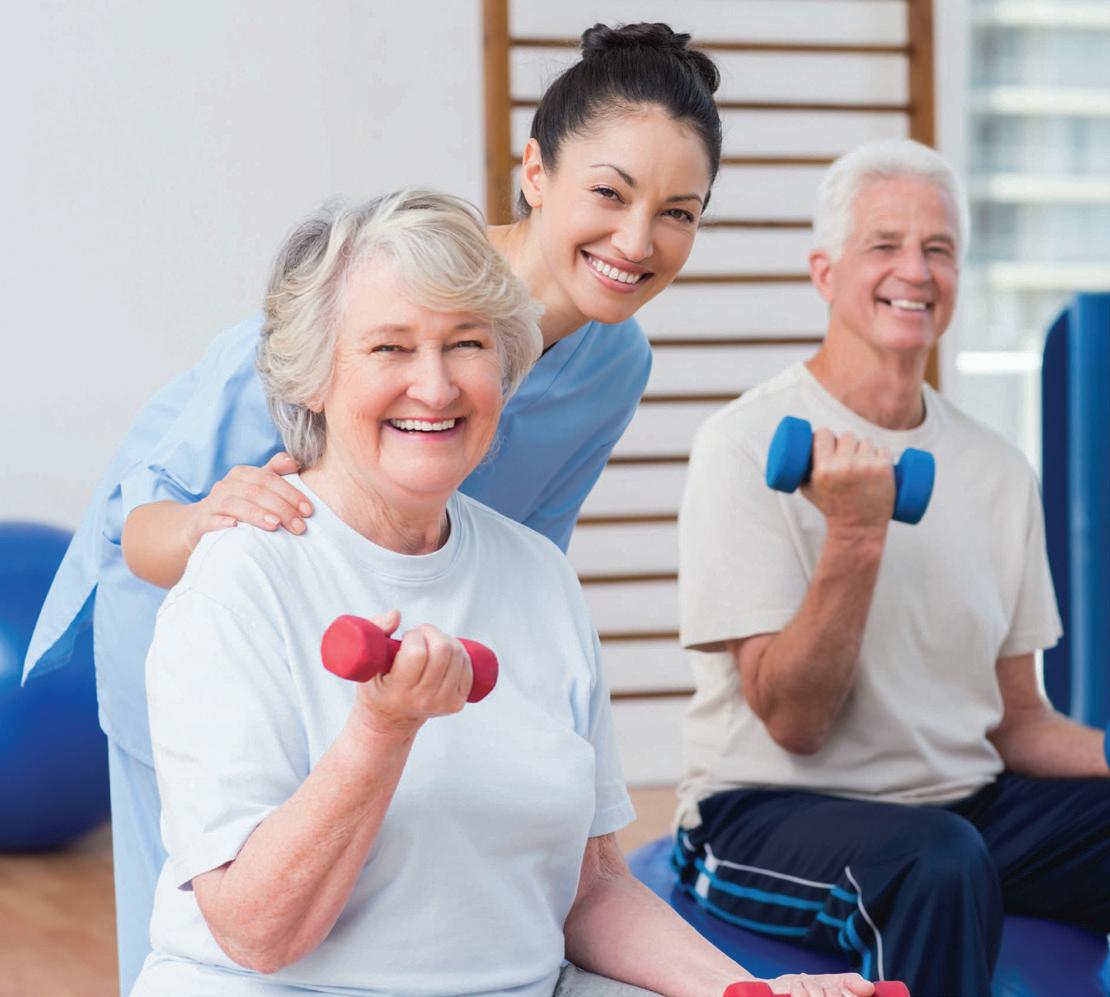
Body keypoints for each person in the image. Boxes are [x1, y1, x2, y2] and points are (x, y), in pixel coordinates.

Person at [23, 23, 725, 991]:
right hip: (218, 615)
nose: (637, 240)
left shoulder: (614, 364)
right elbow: (142, 531)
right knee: (219, 919)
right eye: (610, 192)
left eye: (677, 211)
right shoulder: (362, 303)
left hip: (396, 632)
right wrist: (210, 526)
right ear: (535, 172)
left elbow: (527, 559)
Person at [131, 188, 871, 997]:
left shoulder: (536, 574)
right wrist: (382, 730)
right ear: (314, 376)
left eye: (467, 344)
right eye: (390, 348)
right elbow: (256, 932)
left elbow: (591, 887)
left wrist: (746, 990)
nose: (436, 386)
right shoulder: (241, 579)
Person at [673, 138, 1110, 996]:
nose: (915, 270)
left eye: (937, 249)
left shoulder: (997, 469)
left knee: (950, 846)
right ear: (825, 272)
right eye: (885, 244)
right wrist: (855, 532)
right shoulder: (742, 446)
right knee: (936, 863)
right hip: (765, 808)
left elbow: (1018, 721)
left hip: (963, 805)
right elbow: (794, 722)